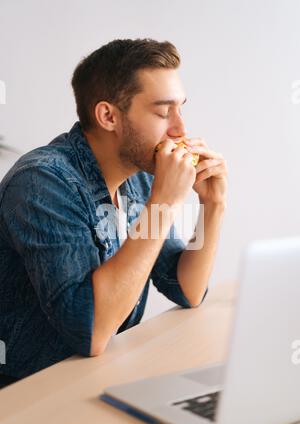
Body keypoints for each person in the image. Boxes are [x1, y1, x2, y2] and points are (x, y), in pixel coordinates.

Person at [0, 38, 227, 384]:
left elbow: (187, 288)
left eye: (181, 108)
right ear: (108, 116)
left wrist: (213, 205)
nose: (180, 129)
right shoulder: (41, 182)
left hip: (94, 379)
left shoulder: (140, 177)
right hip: (27, 393)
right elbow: (90, 330)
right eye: (163, 111)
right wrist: (164, 204)